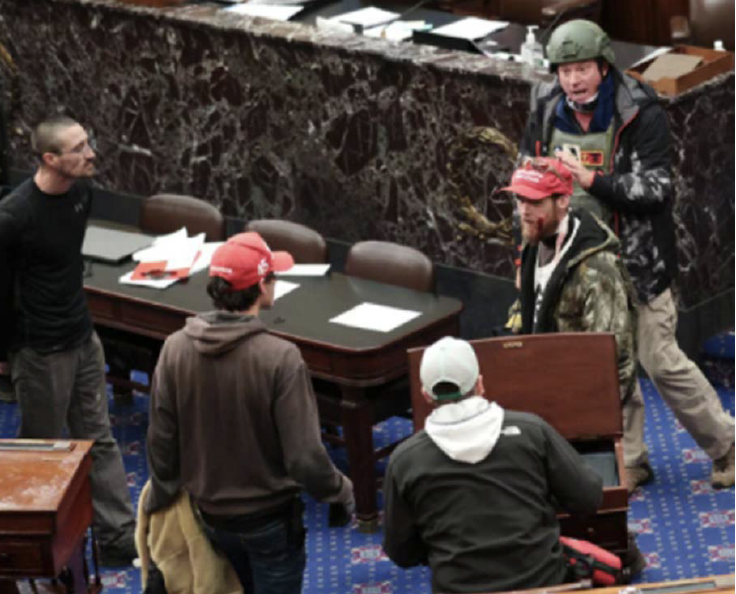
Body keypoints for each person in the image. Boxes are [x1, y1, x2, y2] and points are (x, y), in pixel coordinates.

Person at [518, 19, 734, 490]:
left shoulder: (639, 111)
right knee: (607, 362)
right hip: (584, 263)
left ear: (603, 65)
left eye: (582, 69)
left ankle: (727, 445)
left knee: (660, 361)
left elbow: (656, 188)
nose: (573, 80)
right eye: (564, 70)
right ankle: (631, 458)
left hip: (639, 260)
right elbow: (527, 164)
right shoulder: (546, 103)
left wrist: (591, 180)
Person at [146, 231, 355, 594]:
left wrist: (161, 498)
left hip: (209, 517)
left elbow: (162, 441)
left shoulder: (174, 348)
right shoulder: (281, 358)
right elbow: (305, 457)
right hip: (271, 523)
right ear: (261, 286)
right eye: (273, 276)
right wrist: (339, 492)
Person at [0, 115, 137, 565]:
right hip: (40, 350)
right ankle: (29, 544)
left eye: (88, 143)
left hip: (81, 336)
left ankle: (118, 538)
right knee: (39, 449)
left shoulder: (81, 194)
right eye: (79, 148)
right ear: (49, 159)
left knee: (98, 437)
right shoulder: (15, 216)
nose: (91, 153)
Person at [382, 336, 603, 594]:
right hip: (543, 587)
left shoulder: (405, 460)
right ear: (480, 384)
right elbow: (589, 497)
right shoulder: (531, 432)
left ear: (425, 395)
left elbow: (402, 552)